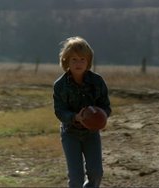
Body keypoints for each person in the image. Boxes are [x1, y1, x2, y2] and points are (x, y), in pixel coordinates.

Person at [53, 36, 111, 188]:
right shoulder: (60, 85)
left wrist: (99, 116)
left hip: (91, 134)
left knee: (96, 173)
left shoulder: (97, 82)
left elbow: (106, 106)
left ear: (88, 61)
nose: (78, 63)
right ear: (66, 61)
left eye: (82, 59)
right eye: (74, 59)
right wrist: (75, 117)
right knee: (76, 178)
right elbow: (59, 111)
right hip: (70, 133)